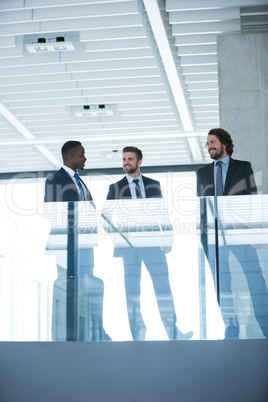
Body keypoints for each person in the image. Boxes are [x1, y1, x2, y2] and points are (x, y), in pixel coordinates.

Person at [106, 146, 193, 341]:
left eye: (130, 159)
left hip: (153, 244)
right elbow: (106, 217)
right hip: (129, 248)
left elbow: (162, 212)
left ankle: (173, 332)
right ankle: (138, 335)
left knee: (163, 287)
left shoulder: (154, 184)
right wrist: (118, 239)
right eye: (124, 159)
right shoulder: (115, 188)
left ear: (139, 162)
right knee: (132, 292)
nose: (126, 163)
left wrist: (167, 237)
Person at [197, 128, 268, 339]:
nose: (209, 146)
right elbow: (202, 206)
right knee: (221, 285)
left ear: (224, 144)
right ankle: (231, 327)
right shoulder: (202, 173)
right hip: (213, 235)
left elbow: (252, 200)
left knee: (255, 279)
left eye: (212, 142)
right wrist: (202, 235)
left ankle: (266, 328)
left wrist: (255, 233)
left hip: (240, 233)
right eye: (207, 144)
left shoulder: (243, 167)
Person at [44, 140, 108, 341]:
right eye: (82, 155)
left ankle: (95, 332)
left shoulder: (79, 181)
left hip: (85, 246)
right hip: (66, 246)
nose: (85, 158)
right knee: (69, 290)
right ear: (71, 157)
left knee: (89, 288)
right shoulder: (55, 179)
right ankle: (70, 334)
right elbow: (51, 211)